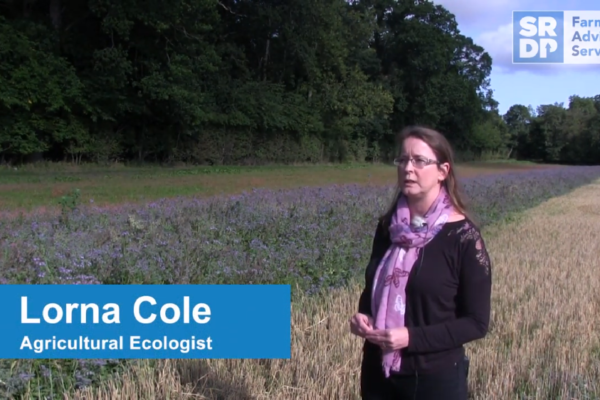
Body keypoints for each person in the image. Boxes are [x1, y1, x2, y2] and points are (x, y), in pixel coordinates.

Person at [349, 125, 492, 400]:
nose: (408, 168)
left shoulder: (464, 239)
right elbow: (373, 291)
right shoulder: (388, 228)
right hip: (378, 374)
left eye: (419, 161)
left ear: (442, 171)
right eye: (402, 159)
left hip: (433, 381)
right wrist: (364, 316)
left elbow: (476, 323)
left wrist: (411, 338)